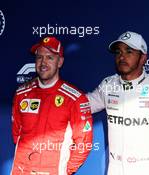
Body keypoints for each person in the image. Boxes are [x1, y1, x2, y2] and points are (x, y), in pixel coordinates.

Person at [87, 31, 149, 175]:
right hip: (115, 168)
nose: (122, 57)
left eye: (129, 51)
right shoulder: (108, 85)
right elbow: (80, 105)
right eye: (118, 52)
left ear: (143, 58)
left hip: (147, 168)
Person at [11, 37, 93, 175]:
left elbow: (84, 142)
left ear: (60, 62)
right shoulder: (21, 93)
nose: (43, 63)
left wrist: (65, 170)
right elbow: (17, 134)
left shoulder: (75, 98)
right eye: (39, 57)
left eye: (50, 58)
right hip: (21, 170)